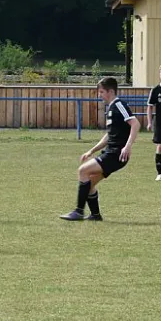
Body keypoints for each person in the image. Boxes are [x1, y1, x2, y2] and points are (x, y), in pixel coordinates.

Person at [60, 77, 140, 221]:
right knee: (89, 183)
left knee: (82, 171)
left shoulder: (119, 105)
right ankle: (95, 215)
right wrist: (92, 151)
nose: (99, 95)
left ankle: (78, 211)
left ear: (110, 91)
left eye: (101, 92)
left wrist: (127, 146)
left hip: (116, 154)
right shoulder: (112, 108)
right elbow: (109, 136)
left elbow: (135, 124)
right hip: (112, 153)